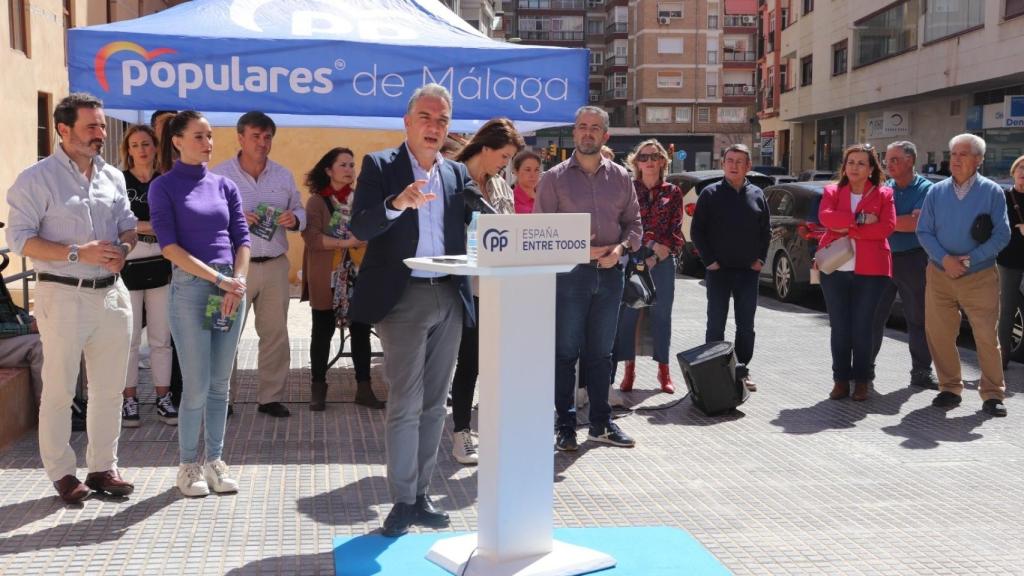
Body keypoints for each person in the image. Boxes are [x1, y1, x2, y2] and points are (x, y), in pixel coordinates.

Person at [348, 84, 478, 537]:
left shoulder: (457, 174)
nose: (434, 127)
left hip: (449, 294)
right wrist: (396, 204)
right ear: (407, 122)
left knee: (435, 406)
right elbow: (359, 224)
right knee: (405, 402)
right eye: (426, 117)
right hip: (402, 297)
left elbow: (471, 226)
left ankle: (422, 494)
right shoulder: (380, 166)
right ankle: (402, 499)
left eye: (443, 120)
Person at [6, 92, 137, 503]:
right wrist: (79, 252)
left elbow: (129, 227)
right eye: (91, 127)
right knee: (61, 390)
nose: (100, 134)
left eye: (101, 125)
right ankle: (62, 473)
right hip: (62, 295)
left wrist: (125, 250)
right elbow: (20, 239)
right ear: (63, 130)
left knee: (110, 389)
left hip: (112, 295)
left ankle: (103, 467)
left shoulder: (113, 176)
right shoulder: (35, 178)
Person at [149, 110, 251, 496]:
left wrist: (235, 282)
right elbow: (169, 247)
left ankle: (215, 463)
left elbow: (242, 237)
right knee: (196, 383)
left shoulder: (225, 185)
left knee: (220, 384)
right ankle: (188, 466)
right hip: (192, 288)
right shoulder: (164, 187)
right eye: (199, 136)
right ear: (176, 140)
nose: (208, 143)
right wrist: (220, 280)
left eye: (210, 136)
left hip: (229, 288)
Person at [535, 105, 642, 452]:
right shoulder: (553, 179)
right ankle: (565, 426)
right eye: (582, 126)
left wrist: (621, 250)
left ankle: (601, 424)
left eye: (595, 127)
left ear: (605, 135)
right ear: (574, 132)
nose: (588, 132)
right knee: (565, 353)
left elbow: (635, 226)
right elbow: (541, 233)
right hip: (570, 278)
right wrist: (584, 252)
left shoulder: (622, 178)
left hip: (611, 277)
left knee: (601, 354)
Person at [213, 112, 305, 419]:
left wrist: (295, 220)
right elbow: (206, 219)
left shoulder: (283, 175)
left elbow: (299, 210)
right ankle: (222, 398)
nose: (262, 143)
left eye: (267, 137)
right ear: (240, 138)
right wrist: (233, 219)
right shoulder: (219, 175)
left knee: (275, 334)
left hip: (275, 264)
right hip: (231, 266)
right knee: (223, 331)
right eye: (256, 136)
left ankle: (270, 398)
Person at [448, 118, 525, 465]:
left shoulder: (501, 188)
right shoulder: (451, 179)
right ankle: (460, 433)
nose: (505, 164)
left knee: (483, 364)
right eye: (504, 156)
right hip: (455, 287)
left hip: (494, 289)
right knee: (464, 364)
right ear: (485, 147)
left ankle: (481, 429)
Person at [917, 134, 1010, 417]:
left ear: (978, 160)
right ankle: (949, 388)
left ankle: (993, 394)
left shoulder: (992, 192)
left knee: (985, 335)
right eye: (953, 153)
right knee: (940, 334)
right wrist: (945, 259)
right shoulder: (936, 191)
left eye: (963, 154)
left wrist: (969, 260)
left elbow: (1002, 234)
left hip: (979, 275)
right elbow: (924, 231)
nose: (955, 159)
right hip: (940, 273)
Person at [300, 147, 384, 411]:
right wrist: (345, 242)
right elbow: (311, 238)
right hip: (327, 274)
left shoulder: (361, 199)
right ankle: (318, 387)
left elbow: (376, 229)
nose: (350, 170)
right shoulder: (317, 201)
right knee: (322, 329)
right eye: (343, 165)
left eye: (352, 164)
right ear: (328, 170)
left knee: (361, 330)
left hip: (358, 273)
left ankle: (364, 387)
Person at [818, 144, 896, 401]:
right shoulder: (832, 190)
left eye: (861, 163)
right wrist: (860, 221)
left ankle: (862, 380)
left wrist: (846, 226)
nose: (855, 167)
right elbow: (826, 218)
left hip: (872, 271)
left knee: (863, 328)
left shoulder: (884, 194)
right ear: (844, 166)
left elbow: (886, 228)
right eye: (851, 162)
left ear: (871, 168)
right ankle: (840, 380)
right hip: (835, 269)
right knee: (839, 327)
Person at [690, 144, 770, 392]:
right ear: (723, 164)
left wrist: (760, 260)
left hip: (748, 272)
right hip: (719, 272)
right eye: (730, 160)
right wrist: (709, 261)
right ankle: (713, 373)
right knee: (715, 324)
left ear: (748, 166)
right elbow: (697, 231)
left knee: (746, 325)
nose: (734, 165)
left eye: (740, 161)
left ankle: (741, 371)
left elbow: (765, 231)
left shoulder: (757, 194)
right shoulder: (710, 194)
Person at [118, 124, 177, 428]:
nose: (141, 150)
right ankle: (129, 399)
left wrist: (138, 225)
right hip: (127, 266)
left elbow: (173, 221)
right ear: (127, 150)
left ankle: (163, 398)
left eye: (146, 144)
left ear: (155, 147)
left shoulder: (165, 182)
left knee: (160, 339)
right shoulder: (118, 181)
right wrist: (147, 226)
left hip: (161, 266)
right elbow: (119, 223)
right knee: (127, 339)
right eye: (134, 145)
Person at [613, 139, 683, 394]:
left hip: (663, 261)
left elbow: (676, 230)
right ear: (636, 162)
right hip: (634, 259)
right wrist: (648, 245)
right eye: (644, 157)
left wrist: (659, 254)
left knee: (661, 316)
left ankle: (664, 371)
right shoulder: (629, 189)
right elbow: (624, 225)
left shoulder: (673, 192)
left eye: (654, 157)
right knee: (630, 315)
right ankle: (628, 371)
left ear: (663, 161)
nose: (649, 161)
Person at [870, 141, 936, 389]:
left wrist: (885, 220)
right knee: (873, 317)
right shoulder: (884, 188)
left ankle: (921, 371)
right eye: (887, 159)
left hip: (913, 259)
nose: (889, 164)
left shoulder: (927, 189)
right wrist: (900, 220)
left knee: (918, 318)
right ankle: (866, 369)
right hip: (883, 258)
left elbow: (916, 225)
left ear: (910, 161)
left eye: (895, 159)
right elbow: (876, 222)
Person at [996, 155, 1024, 369]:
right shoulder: (1003, 197)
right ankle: (1001, 358)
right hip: (1008, 260)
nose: (1023, 172)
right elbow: (997, 229)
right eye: (1020, 168)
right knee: (1006, 311)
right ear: (1013, 172)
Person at [512, 150, 542, 215]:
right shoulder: (510, 201)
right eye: (528, 170)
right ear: (516, 172)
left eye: (536, 170)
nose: (533, 175)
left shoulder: (545, 197)